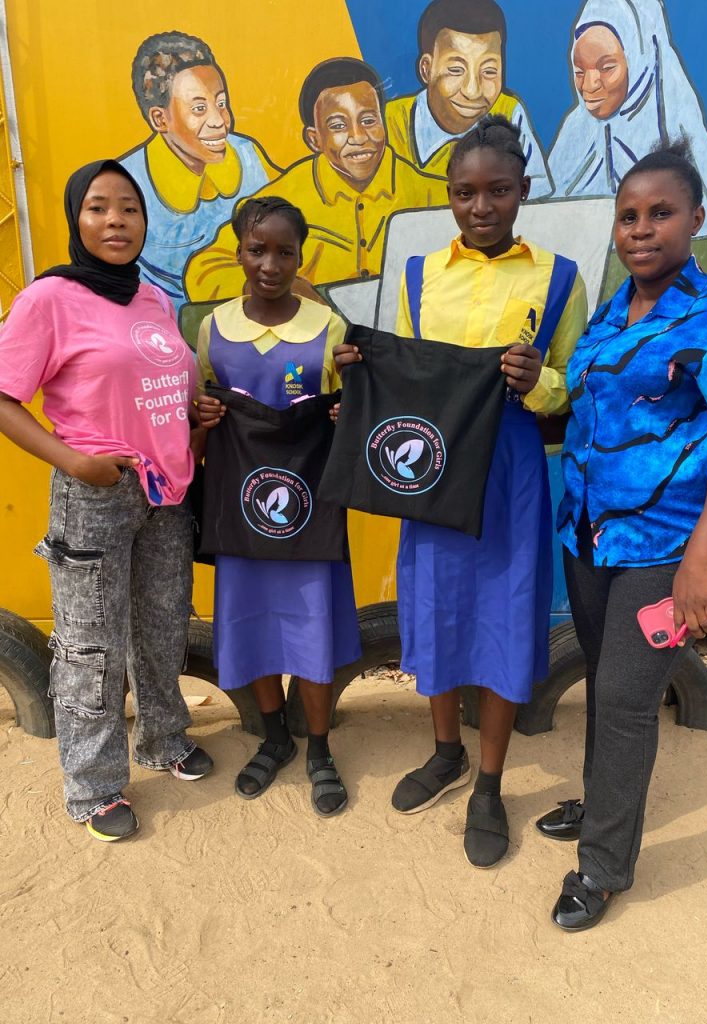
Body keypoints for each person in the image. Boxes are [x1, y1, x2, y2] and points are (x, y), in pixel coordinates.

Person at [335, 115, 587, 868]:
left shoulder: (560, 277)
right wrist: (361, 368)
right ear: (448, 195)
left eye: (498, 191)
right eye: (465, 193)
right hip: (436, 468)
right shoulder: (418, 275)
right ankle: (444, 751)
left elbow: (576, 384)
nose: (482, 207)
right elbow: (411, 382)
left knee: (507, 616)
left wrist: (536, 381)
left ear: (523, 191)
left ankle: (489, 782)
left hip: (509, 470)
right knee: (436, 608)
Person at [540, 141, 707, 931]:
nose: (641, 230)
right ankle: (607, 802)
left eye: (660, 213)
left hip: (669, 551)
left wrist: (702, 561)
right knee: (607, 684)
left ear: (697, 219)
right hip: (591, 542)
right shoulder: (611, 311)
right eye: (628, 216)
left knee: (627, 698)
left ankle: (603, 867)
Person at [0, 160, 213, 842]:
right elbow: (5, 398)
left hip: (166, 491)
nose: (116, 221)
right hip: (96, 491)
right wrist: (75, 462)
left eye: (129, 208)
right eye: (98, 207)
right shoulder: (49, 298)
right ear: (76, 219)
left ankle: (164, 739)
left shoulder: (151, 297)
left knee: (160, 626)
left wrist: (196, 421)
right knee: (92, 643)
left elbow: (157, 388)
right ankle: (93, 785)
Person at [196, 196, 361, 816]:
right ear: (238, 250)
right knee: (253, 622)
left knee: (311, 624)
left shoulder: (328, 328)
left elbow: (352, 411)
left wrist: (349, 414)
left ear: (300, 256)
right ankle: (273, 739)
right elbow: (199, 404)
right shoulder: (213, 328)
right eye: (256, 249)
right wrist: (203, 413)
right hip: (240, 509)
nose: (270, 263)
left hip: (310, 508)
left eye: (284, 251)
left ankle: (317, 746)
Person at [184, 58, 444, 298]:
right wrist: (274, 285)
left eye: (368, 120)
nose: (359, 136)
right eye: (338, 126)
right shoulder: (280, 202)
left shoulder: (433, 194)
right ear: (314, 139)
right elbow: (203, 271)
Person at [548, 0, 707, 237]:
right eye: (579, 71)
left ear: (641, 60)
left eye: (607, 67)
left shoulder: (674, 126)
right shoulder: (574, 136)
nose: (588, 86)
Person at [120, 31, 279, 312]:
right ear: (160, 118)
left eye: (221, 103)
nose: (219, 121)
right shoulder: (127, 183)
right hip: (168, 335)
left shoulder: (246, 155)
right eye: (199, 108)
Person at [385, 0, 552, 196]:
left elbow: (536, 198)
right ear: (426, 69)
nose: (473, 91)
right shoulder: (388, 123)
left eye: (489, 71)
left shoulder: (508, 113)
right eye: (456, 70)